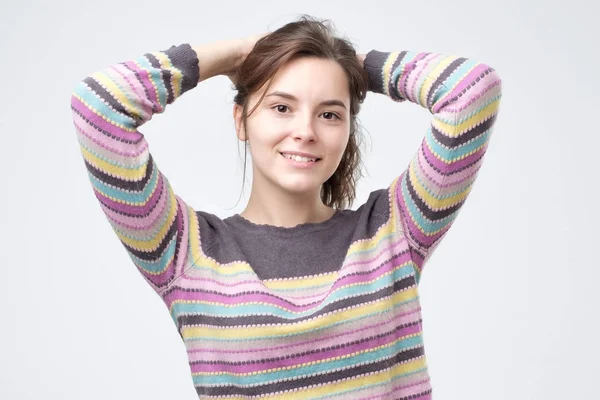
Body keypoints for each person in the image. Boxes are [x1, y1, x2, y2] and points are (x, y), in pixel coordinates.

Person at [70, 15, 502, 400]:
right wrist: (240, 54)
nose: (305, 131)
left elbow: (470, 89)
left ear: (349, 129)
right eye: (281, 107)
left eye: (330, 114)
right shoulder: (184, 252)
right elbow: (99, 106)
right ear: (241, 120)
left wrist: (349, 63)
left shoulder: (394, 230)